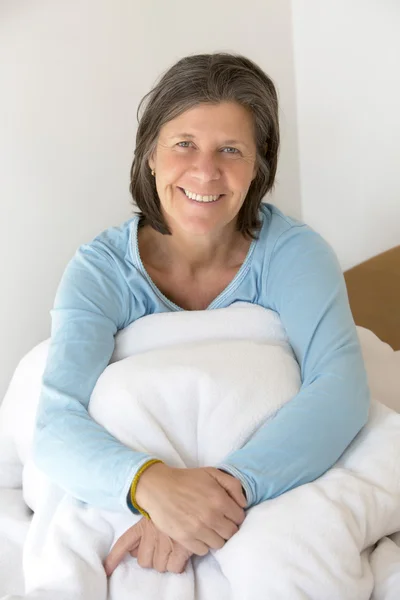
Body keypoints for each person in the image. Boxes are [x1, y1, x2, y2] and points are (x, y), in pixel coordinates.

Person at [33, 52, 370, 577]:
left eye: (230, 150)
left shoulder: (295, 255)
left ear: (259, 165)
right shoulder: (100, 271)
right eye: (184, 144)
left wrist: (223, 490)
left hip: (252, 480)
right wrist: (154, 486)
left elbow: (340, 389)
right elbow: (56, 422)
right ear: (150, 156)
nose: (206, 171)